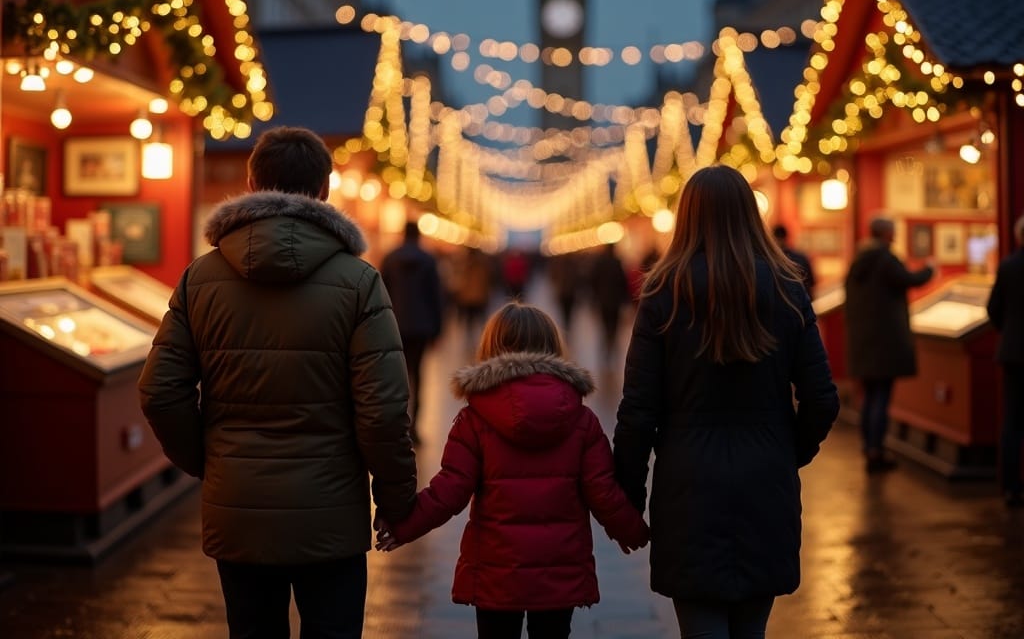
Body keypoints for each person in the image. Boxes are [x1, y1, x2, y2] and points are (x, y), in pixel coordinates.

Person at [138, 126, 417, 639]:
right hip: (330, 516)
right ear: (325, 189)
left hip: (239, 509)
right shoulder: (359, 283)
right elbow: (384, 409)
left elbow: (160, 391)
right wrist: (397, 502)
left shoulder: (200, 278)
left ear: (251, 181)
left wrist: (212, 461)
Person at [612, 165, 839, 639]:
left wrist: (628, 493)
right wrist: (789, 450)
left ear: (687, 218)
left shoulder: (662, 294)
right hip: (766, 475)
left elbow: (638, 410)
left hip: (687, 481)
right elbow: (821, 397)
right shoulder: (787, 289)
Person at [376, 302, 649, 639]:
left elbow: (449, 492)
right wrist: (633, 530)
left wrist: (403, 525)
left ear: (491, 348)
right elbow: (603, 491)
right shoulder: (582, 421)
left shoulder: (474, 420)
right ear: (553, 349)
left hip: (496, 575)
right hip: (558, 573)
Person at [844, 214, 934, 474]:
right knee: (881, 397)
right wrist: (930, 268)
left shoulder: (858, 261)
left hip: (863, 342)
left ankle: (868, 446)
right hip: (885, 343)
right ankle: (876, 450)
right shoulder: (885, 259)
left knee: (869, 396)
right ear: (886, 233)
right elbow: (910, 280)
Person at [381, 220, 445, 445]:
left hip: (394, 326)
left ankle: (397, 425)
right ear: (418, 235)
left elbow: (380, 295)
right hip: (422, 327)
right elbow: (436, 297)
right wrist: (438, 329)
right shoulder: (428, 260)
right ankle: (414, 427)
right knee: (418, 376)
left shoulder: (390, 259)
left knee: (397, 378)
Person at [986, 213, 1024, 508]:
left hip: (1012, 352)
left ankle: (1010, 487)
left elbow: (993, 308)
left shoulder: (1009, 265)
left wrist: (1008, 333)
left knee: (1011, 420)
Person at [588, 243, 632, 365]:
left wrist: (594, 300)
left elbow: (593, 282)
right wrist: (626, 301)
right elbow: (623, 282)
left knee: (604, 327)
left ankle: (605, 351)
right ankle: (612, 349)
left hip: (603, 302)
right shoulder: (617, 262)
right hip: (615, 302)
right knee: (614, 327)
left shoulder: (599, 262)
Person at [772, 223, 815, 298]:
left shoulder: (772, 259)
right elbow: (811, 282)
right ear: (786, 237)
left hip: (783, 300)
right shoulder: (801, 257)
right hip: (802, 298)